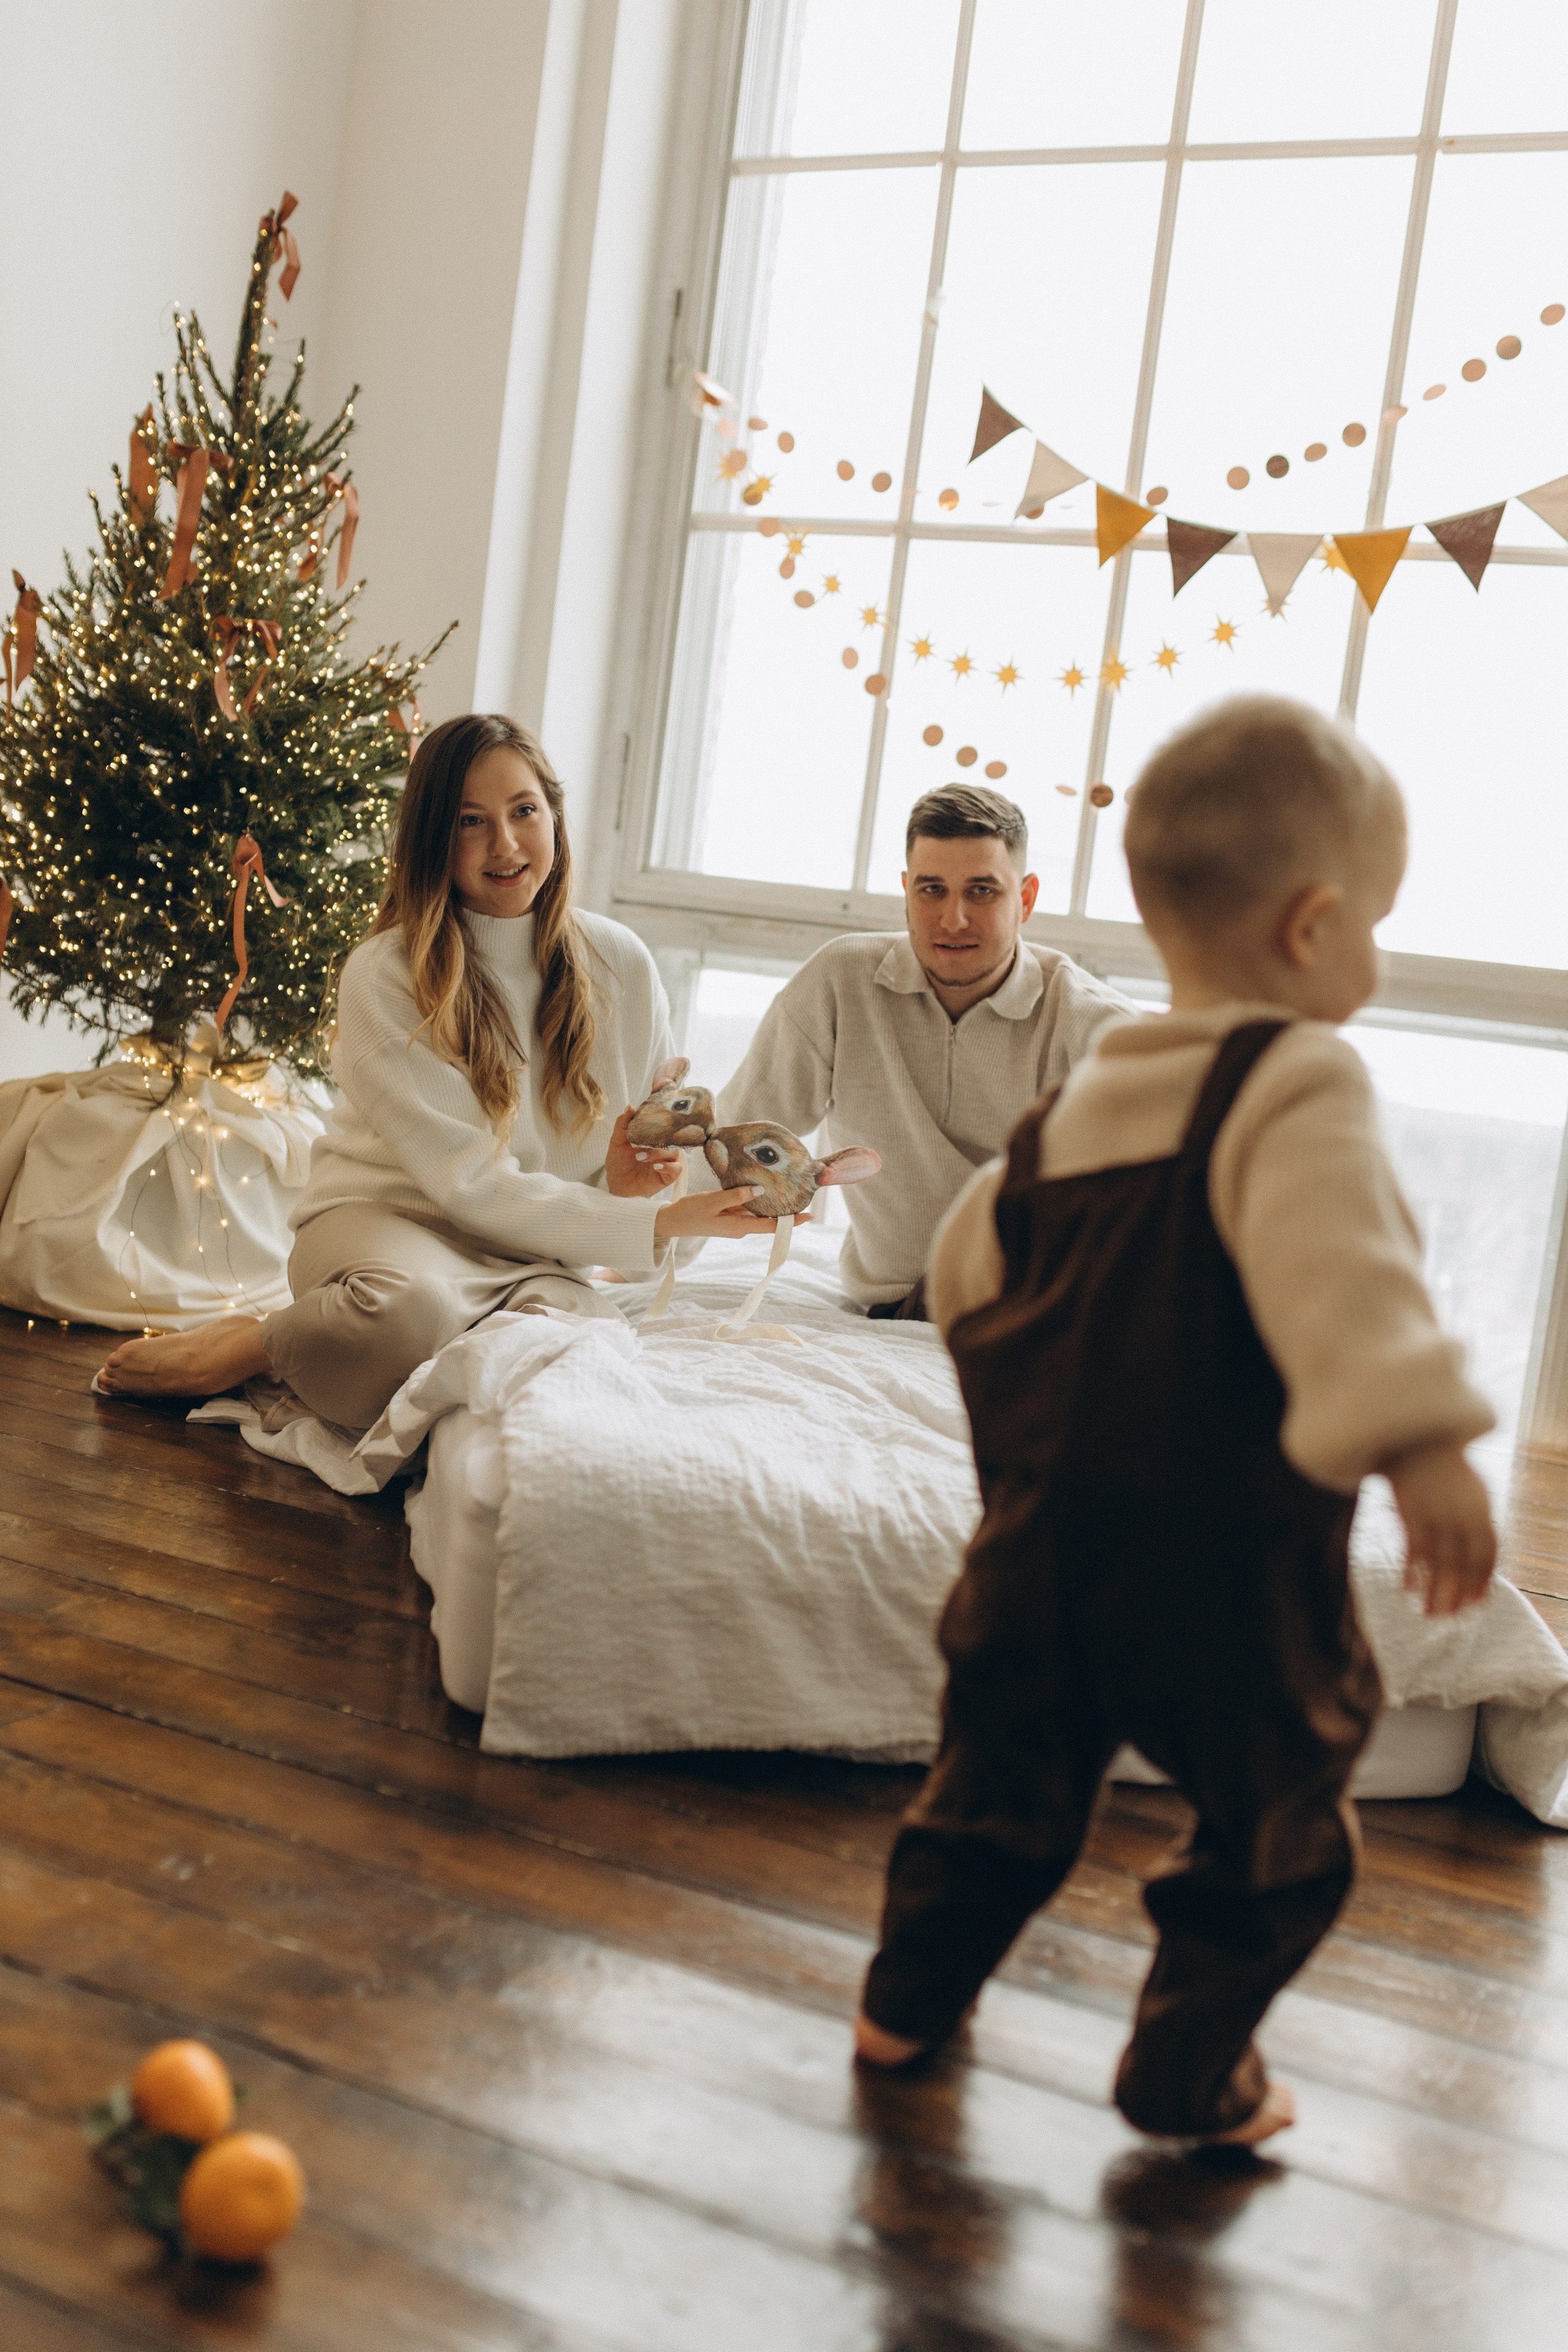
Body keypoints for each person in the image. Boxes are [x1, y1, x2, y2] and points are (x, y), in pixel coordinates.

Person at [853, 695, 1498, 2146]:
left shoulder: (1072, 1110)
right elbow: (1349, 1276)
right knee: (1279, 1817)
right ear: (1311, 926)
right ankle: (1186, 2067)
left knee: (991, 1796)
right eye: (1374, 924)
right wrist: (1424, 1444)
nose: (1373, 955)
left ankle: (903, 2000)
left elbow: (963, 1278)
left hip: (1031, 1559)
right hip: (1224, 1574)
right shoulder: (1296, 1078)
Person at [99, 713, 782, 1425]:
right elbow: (470, 1183)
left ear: (554, 815)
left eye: (524, 811)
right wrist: (658, 1220)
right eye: (470, 822)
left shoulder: (622, 964)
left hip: (530, 1251)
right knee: (405, 1315)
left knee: (579, 1348)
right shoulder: (386, 973)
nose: (505, 844)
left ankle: (353, 1343)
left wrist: (626, 1187)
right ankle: (256, 1345)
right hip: (388, 1226)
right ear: (433, 837)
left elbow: (613, 1184)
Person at [712, 785, 1131, 1318]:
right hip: (890, 1307)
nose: (953, 919)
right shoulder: (840, 981)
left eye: (982, 891)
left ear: (1025, 900)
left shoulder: (1094, 1025)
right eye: (932, 889)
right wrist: (642, 1254)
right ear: (907, 892)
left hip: (1035, 1315)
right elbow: (737, 1143)